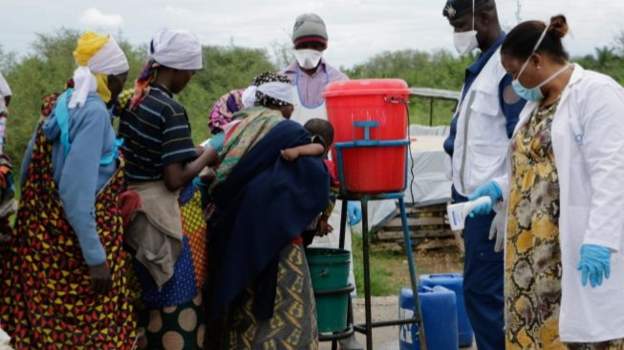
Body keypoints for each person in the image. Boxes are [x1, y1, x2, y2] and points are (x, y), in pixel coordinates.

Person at [0, 32, 137, 348]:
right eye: (120, 80)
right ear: (108, 78)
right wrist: (95, 258)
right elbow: (77, 194)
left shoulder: (62, 102)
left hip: (46, 245)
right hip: (74, 250)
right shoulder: (93, 113)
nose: (119, 87)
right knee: (90, 333)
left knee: (44, 331)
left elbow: (29, 168)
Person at [497, 15, 624, 349]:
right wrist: (497, 188)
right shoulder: (535, 105)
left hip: (568, 247)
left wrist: (600, 239)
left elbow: (613, 172)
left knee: (578, 335)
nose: (514, 82)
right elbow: (528, 163)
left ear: (536, 61)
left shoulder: (596, 93)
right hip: (528, 252)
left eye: (514, 72)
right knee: (533, 331)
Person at [204, 73, 328, 349]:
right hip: (279, 241)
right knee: (287, 311)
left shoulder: (236, 125)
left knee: (240, 310)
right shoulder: (288, 132)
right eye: (291, 104)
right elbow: (317, 180)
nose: (292, 109)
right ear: (284, 104)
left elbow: (209, 162)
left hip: (236, 237)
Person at [117, 29, 219, 350]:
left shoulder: (137, 99)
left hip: (133, 213)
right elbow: (174, 179)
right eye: (190, 71)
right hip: (158, 215)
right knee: (176, 299)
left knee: (147, 301)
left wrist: (188, 149)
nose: (190, 78)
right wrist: (208, 154)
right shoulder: (170, 110)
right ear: (175, 68)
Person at [442, 1, 526, 349]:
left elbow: (521, 140)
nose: (457, 33)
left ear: (485, 17)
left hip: (492, 205)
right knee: (481, 293)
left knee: (485, 296)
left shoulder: (506, 67)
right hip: (471, 203)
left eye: (461, 23)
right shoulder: (481, 68)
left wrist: (502, 193)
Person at [282, 16, 361, 348]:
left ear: (325, 47)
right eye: (304, 46)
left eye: (315, 46)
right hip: (291, 188)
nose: (309, 52)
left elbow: (352, 135)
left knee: (339, 263)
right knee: (294, 262)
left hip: (331, 187)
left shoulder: (340, 83)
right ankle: (301, 331)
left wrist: (351, 190)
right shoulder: (282, 83)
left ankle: (346, 331)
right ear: (294, 46)